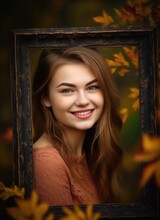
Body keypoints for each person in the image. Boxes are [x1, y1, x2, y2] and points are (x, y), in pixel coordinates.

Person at [32, 46, 123, 207]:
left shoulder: (93, 153)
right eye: (67, 90)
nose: (82, 101)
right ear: (46, 97)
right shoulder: (46, 163)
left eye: (92, 87)